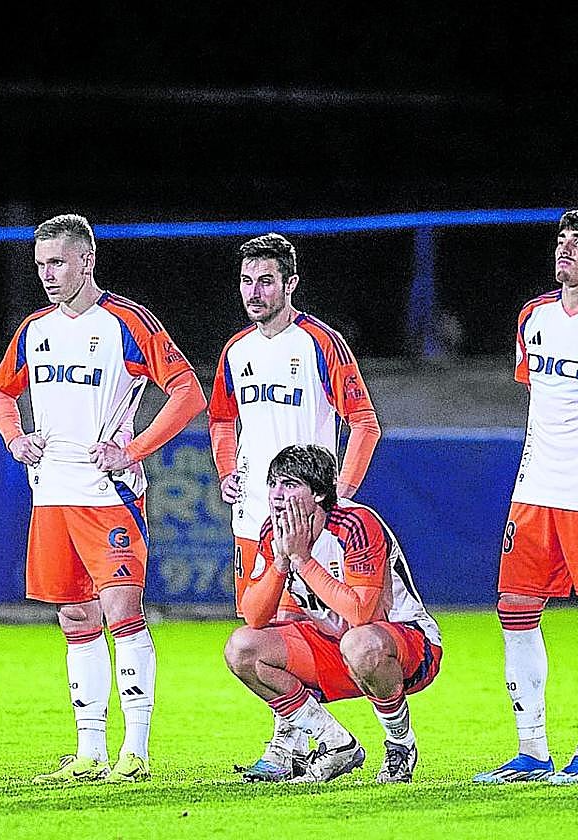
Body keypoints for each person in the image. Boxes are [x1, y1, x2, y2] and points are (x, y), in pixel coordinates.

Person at [0, 213, 206, 783]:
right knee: (75, 618)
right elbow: (0, 390)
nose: (48, 275)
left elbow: (187, 392)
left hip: (109, 496)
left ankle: (135, 750)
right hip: (52, 495)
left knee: (122, 614)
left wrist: (135, 448)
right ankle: (89, 752)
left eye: (58, 262)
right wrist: (16, 437)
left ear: (87, 259)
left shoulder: (126, 322)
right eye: (40, 265)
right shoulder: (34, 329)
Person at [208, 233, 381, 781]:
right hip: (254, 516)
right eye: (245, 281)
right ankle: (295, 743)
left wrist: (340, 498)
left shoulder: (319, 343)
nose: (253, 292)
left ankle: (319, 739)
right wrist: (227, 470)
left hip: (310, 517)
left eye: (265, 281)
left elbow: (364, 423)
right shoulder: (236, 351)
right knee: (264, 628)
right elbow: (220, 420)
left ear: (291, 284)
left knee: (319, 624)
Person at [475, 206, 578, 785]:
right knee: (514, 610)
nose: (565, 248)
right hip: (534, 489)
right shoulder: (532, 317)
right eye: (562, 239)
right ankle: (532, 752)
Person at [223, 445, 442, 784]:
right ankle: (335, 742)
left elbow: (361, 612)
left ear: (321, 493)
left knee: (360, 642)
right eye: (273, 484)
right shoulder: (272, 531)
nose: (278, 495)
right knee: (242, 647)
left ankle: (400, 744)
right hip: (334, 647)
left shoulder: (356, 524)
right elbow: (254, 616)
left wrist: (303, 561)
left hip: (404, 645)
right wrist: (282, 562)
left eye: (291, 484)